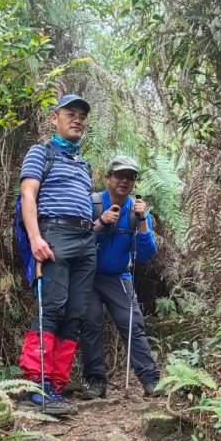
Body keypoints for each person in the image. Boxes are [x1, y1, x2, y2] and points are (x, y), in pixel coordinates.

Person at [18, 93, 96, 416]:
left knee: (75, 313)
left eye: (81, 115)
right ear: (55, 118)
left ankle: (56, 385)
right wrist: (35, 237)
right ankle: (36, 385)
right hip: (54, 235)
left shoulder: (84, 163)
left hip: (85, 240)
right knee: (50, 307)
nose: (77, 119)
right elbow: (28, 193)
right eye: (70, 113)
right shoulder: (41, 152)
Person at [79, 154, 161, 399]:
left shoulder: (137, 212)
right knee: (90, 326)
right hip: (88, 277)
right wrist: (100, 223)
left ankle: (150, 380)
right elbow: (77, 242)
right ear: (108, 178)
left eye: (131, 177)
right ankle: (95, 382)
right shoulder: (91, 203)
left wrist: (144, 220)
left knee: (133, 326)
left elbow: (146, 254)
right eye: (119, 175)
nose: (125, 181)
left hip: (118, 277)